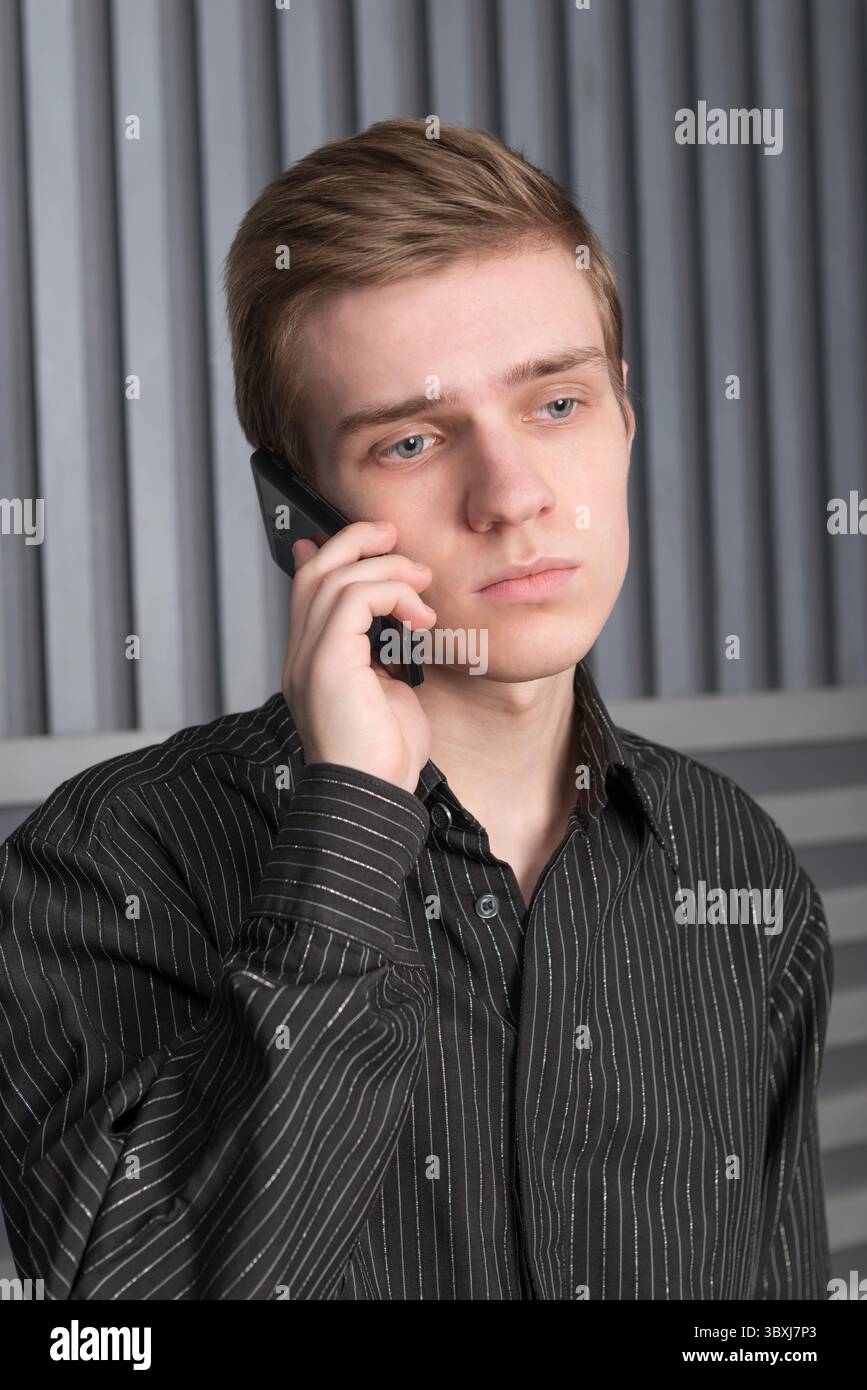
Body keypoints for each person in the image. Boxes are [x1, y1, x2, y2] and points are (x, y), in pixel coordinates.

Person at [0, 118, 832, 1300]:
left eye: (556, 404)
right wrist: (346, 832)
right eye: (413, 437)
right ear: (299, 515)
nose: (513, 495)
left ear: (626, 420)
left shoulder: (738, 867)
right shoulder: (97, 870)